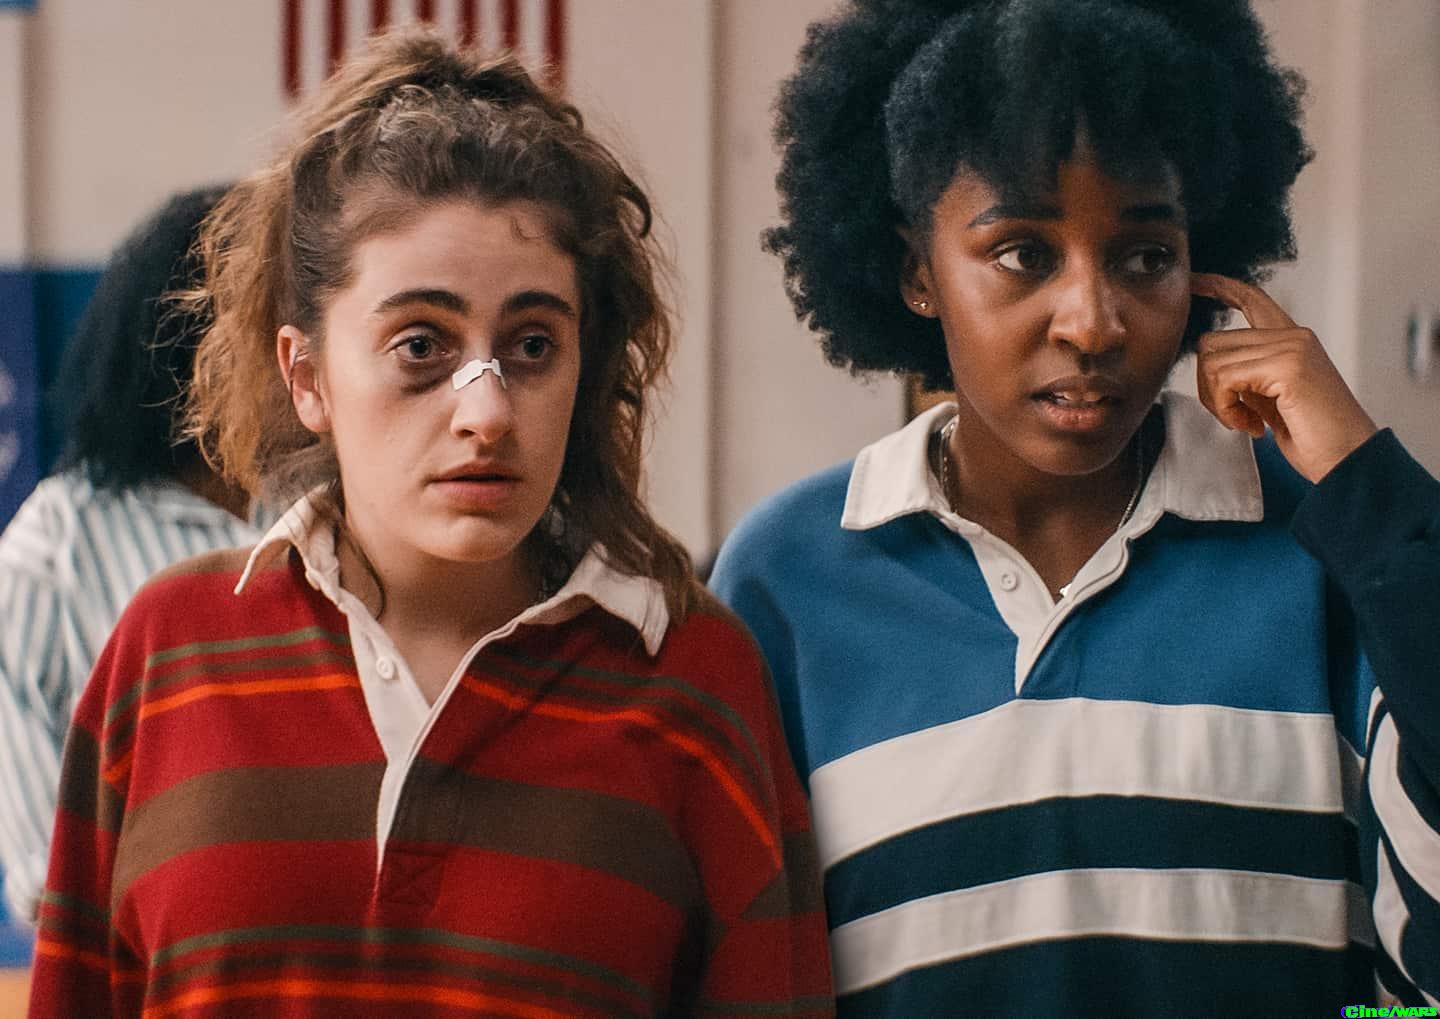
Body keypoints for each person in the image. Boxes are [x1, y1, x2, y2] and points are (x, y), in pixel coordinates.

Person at [29, 30, 832, 1018]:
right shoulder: (169, 651)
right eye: (420, 344)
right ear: (307, 375)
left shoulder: (695, 678)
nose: (486, 411)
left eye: (531, 345)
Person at [710, 0, 1439, 1012]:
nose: (1093, 322)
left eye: (1145, 257)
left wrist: (1367, 483)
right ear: (918, 270)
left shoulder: (1330, 549)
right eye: (1023, 252)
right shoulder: (786, 580)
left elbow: (1418, 996)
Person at [0, 186, 260, 928]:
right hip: (156, 961)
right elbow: (46, 871)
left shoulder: (335, 506)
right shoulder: (57, 546)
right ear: (190, 349)